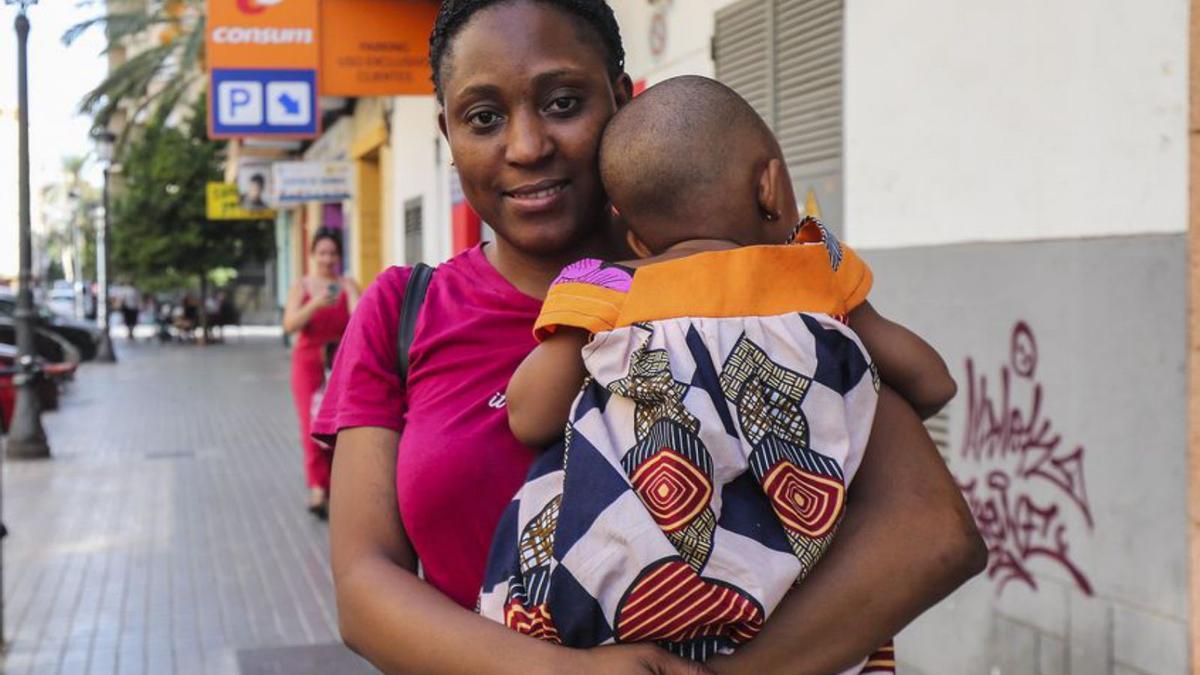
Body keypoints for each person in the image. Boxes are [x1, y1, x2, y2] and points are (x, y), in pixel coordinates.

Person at [315, 2, 985, 674]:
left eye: (563, 102)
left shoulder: (747, 280)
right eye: (483, 117)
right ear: (447, 133)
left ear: (621, 95)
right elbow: (364, 588)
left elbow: (932, 533)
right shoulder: (402, 311)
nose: (525, 146)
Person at [483, 76, 957, 668]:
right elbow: (934, 382)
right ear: (772, 187)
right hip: (793, 620)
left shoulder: (605, 284)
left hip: (627, 614)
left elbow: (528, 416)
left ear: (635, 236)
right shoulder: (811, 274)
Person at [284, 227, 359, 519]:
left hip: (339, 363)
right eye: (322, 253)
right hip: (307, 363)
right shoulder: (300, 286)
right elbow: (289, 325)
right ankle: (317, 487)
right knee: (310, 425)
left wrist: (351, 293)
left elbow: (360, 322)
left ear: (339, 256)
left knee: (337, 425)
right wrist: (315, 303)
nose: (327, 259)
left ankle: (336, 487)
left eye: (332, 253)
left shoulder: (347, 284)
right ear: (313, 255)